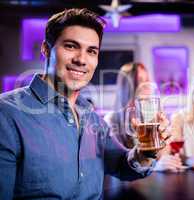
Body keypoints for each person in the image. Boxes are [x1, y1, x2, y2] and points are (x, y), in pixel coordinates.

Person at [0, 8, 164, 199]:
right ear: (46, 49)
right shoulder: (7, 113)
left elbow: (123, 165)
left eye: (91, 51)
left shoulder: (92, 118)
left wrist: (146, 152)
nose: (81, 59)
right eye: (71, 46)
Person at [105, 62, 150, 149]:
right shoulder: (111, 119)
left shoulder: (148, 115)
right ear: (127, 85)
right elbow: (117, 157)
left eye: (147, 80)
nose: (146, 85)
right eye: (140, 80)